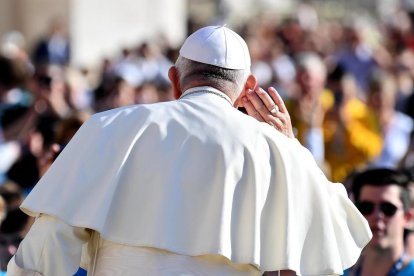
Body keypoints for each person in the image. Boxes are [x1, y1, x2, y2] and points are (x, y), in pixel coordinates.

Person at [7, 25, 371, 275]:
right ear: (248, 88)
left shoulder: (107, 127)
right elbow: (331, 242)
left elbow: (45, 253)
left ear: (175, 80)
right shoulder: (277, 151)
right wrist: (291, 147)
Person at [345, 168, 414, 275]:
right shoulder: (334, 270)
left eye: (388, 208)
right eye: (366, 207)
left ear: (407, 217)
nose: (377, 215)